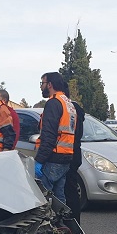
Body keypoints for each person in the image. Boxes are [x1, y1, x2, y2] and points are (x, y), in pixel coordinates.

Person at [35, 72, 75, 203]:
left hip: (53, 157)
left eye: (42, 83)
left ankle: (47, 223)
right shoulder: (68, 103)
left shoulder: (53, 103)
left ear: (50, 84)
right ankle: (62, 222)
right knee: (59, 197)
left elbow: (49, 135)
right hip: (66, 156)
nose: (41, 87)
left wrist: (39, 160)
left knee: (43, 197)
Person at [61, 83, 85, 222]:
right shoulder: (75, 109)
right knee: (71, 190)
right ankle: (74, 221)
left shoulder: (67, 109)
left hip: (67, 153)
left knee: (68, 191)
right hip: (74, 153)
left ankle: (72, 223)